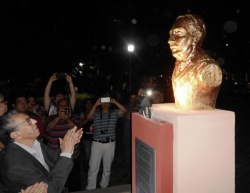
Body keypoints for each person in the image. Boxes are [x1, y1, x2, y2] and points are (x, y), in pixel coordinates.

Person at [0, 110, 83, 193]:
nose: (35, 121)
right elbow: (51, 190)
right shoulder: (16, 166)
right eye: (28, 121)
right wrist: (66, 153)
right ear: (16, 135)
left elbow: (54, 159)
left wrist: (68, 145)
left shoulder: (34, 142)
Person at [168, 14, 222, 110]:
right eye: (171, 34)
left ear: (196, 37)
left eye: (179, 33)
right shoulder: (178, 65)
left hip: (201, 121)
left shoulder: (208, 68)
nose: (170, 40)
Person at [86, 95, 127, 190]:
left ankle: (104, 186)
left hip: (110, 143)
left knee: (107, 167)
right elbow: (88, 117)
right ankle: (90, 188)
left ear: (109, 104)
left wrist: (115, 102)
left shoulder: (114, 113)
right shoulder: (96, 114)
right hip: (97, 143)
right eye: (103, 102)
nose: (105, 104)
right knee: (93, 167)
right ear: (100, 104)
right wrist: (95, 104)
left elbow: (124, 110)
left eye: (107, 102)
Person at [45, 98, 82, 192]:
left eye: (66, 105)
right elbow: (48, 129)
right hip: (54, 157)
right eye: (61, 105)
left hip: (72, 156)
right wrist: (58, 117)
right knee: (56, 181)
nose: (63, 107)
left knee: (74, 181)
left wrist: (68, 119)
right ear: (57, 107)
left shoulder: (74, 117)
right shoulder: (50, 117)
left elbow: (78, 131)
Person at [122, 91, 138, 182]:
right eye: (131, 98)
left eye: (135, 98)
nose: (133, 100)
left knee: (136, 154)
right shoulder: (126, 107)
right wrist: (125, 117)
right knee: (127, 154)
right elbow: (121, 121)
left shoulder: (141, 107)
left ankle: (136, 172)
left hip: (138, 135)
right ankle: (127, 172)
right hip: (127, 134)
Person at [79, 98, 94, 172]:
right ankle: (86, 168)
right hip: (86, 137)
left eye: (90, 103)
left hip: (95, 137)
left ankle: (94, 167)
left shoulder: (96, 112)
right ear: (85, 105)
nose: (89, 105)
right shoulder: (83, 113)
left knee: (95, 153)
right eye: (87, 103)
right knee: (87, 153)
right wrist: (87, 118)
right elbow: (80, 125)